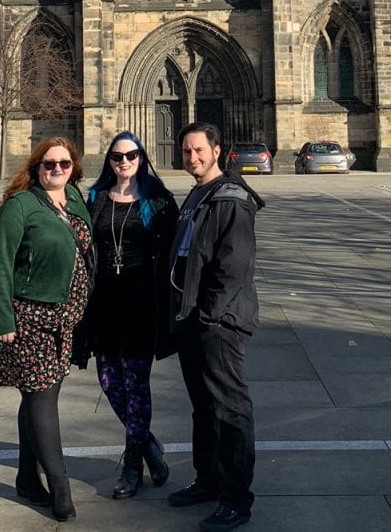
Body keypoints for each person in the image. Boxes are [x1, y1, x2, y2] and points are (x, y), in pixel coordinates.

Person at [0, 137, 92, 522]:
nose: (56, 170)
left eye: (63, 164)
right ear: (36, 167)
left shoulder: (75, 199)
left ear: (73, 167)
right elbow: (0, 263)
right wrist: (2, 320)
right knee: (42, 400)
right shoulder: (20, 205)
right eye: (49, 164)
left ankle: (27, 478)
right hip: (29, 319)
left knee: (34, 399)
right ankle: (60, 486)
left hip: (65, 322)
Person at [167, 122, 264, 532]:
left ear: (218, 151)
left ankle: (236, 498)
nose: (193, 157)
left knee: (229, 408)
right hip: (194, 319)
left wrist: (208, 317)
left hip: (218, 322)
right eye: (187, 151)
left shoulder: (232, 199)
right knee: (204, 407)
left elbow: (233, 268)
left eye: (199, 151)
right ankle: (207, 481)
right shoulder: (198, 194)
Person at [86, 131, 179, 499]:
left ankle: (131, 468)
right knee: (110, 383)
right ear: (109, 161)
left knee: (136, 385)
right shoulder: (95, 198)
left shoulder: (158, 200)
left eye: (131, 155)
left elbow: (175, 252)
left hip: (141, 305)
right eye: (116, 156)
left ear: (142, 157)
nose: (123, 162)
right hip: (105, 302)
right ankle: (149, 447)